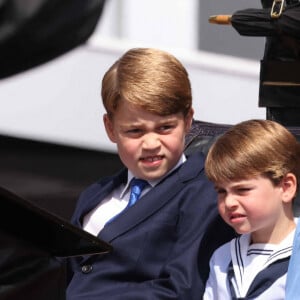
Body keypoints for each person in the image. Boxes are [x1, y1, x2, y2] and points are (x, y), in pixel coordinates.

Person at [66, 47, 234, 299]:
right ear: (110, 128)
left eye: (165, 128)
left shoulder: (207, 193)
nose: (151, 143)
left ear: (188, 120)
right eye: (135, 131)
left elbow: (183, 289)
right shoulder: (96, 194)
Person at [203, 119, 300, 300]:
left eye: (242, 190)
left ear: (286, 187)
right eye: (222, 191)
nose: (230, 201)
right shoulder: (222, 258)